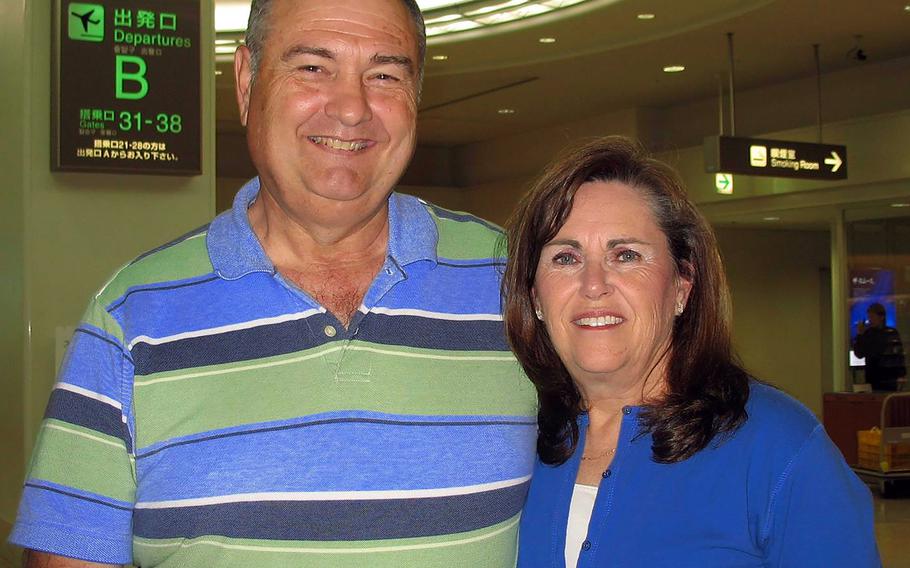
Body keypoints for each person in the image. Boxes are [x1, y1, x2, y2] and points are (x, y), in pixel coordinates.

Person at [10, 0, 537, 566]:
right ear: (245, 82)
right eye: (313, 67)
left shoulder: (519, 284)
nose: (352, 108)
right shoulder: (130, 316)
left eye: (384, 74)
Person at [501, 136, 881, 567]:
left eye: (625, 255)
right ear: (534, 296)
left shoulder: (779, 447)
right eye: (566, 258)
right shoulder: (512, 443)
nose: (594, 285)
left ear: (682, 285)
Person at [854, 302, 906, 391]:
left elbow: (899, 356)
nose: (870, 320)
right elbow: (859, 354)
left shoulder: (891, 333)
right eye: (869, 317)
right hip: (873, 377)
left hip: (890, 378)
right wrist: (860, 335)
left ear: (881, 317)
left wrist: (901, 375)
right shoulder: (868, 334)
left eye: (873, 317)